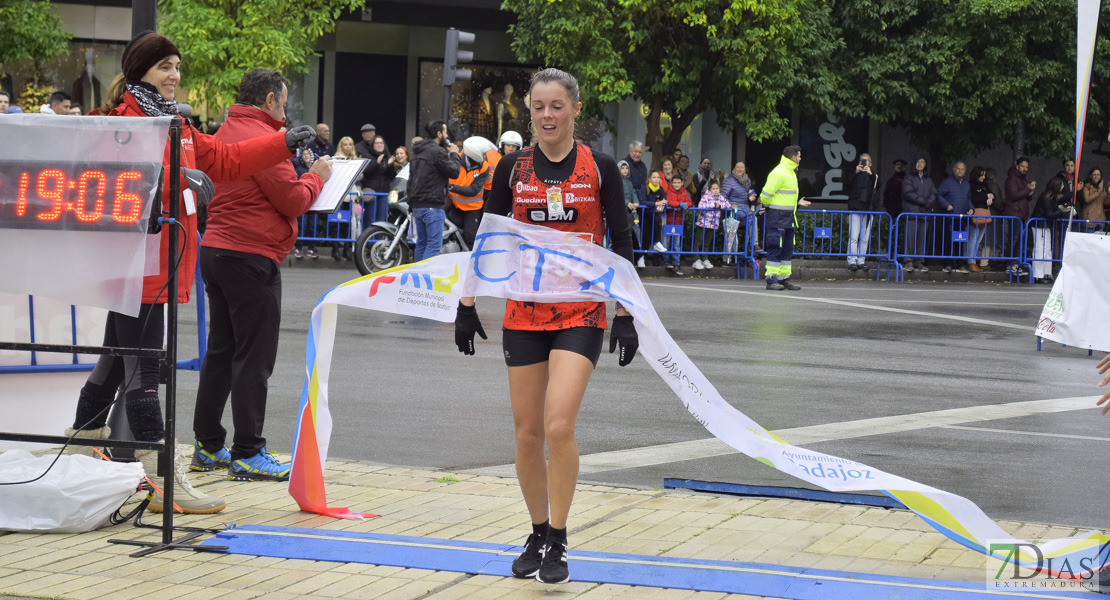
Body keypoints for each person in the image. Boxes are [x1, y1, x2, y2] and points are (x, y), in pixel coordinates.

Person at [64, 31, 317, 513]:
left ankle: (80, 450)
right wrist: (175, 188)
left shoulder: (170, 122)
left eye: (177, 66)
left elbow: (226, 160)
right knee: (142, 371)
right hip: (134, 265)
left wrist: (281, 142)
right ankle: (164, 483)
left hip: (156, 263)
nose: (175, 76)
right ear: (140, 72)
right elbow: (114, 192)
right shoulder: (123, 121)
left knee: (114, 360)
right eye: (165, 68)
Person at [453, 68, 637, 585]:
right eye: (538, 106)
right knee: (527, 433)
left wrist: (626, 316)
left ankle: (558, 536)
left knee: (559, 426)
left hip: (581, 311)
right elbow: (487, 241)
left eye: (557, 106)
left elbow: (621, 243)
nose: (547, 115)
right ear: (528, 112)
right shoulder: (511, 169)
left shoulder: (601, 168)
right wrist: (467, 304)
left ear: (576, 109)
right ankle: (536, 530)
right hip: (524, 312)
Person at [192, 68, 332, 482]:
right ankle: (248, 450)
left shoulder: (225, 131)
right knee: (253, 358)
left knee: (220, 352)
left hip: (217, 248)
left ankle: (208, 443)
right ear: (270, 100)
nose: (286, 113)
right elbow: (291, 200)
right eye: (284, 103)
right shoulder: (264, 140)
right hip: (252, 255)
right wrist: (317, 178)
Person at [406, 120, 461, 261]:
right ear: (439, 134)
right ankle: (425, 278)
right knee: (433, 245)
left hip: (418, 205)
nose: (447, 135)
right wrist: (454, 155)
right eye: (445, 132)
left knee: (422, 244)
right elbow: (454, 172)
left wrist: (411, 204)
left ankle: (418, 276)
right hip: (432, 205)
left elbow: (411, 179)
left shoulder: (417, 151)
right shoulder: (437, 151)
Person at [761, 145, 810, 290]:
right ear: (793, 157)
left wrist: (797, 203)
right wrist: (770, 208)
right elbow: (765, 196)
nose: (800, 158)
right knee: (776, 248)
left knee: (787, 249)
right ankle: (771, 279)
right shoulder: (780, 172)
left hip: (787, 218)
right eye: (799, 156)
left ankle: (782, 279)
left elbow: (780, 197)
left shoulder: (790, 172)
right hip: (778, 218)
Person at [446, 138, 494, 248]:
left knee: (471, 236)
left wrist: (451, 187)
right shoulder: (454, 159)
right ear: (475, 154)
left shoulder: (484, 167)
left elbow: (473, 191)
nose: (486, 156)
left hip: (472, 208)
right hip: (452, 202)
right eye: (484, 154)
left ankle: (470, 260)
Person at [1029, 177, 1068, 283]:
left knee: (1047, 249)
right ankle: (1038, 274)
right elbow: (1049, 214)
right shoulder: (1046, 198)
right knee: (1040, 248)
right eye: (1061, 185)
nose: (1063, 187)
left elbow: (1051, 212)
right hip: (1039, 225)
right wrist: (1061, 211)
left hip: (1044, 225)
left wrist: (1060, 209)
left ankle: (1046, 273)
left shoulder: (1050, 197)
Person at [844, 153, 879, 272]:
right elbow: (846, 184)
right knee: (853, 236)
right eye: (862, 161)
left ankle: (861, 260)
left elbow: (879, 185)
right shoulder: (854, 174)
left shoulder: (873, 176)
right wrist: (856, 172)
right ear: (859, 163)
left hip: (868, 209)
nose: (865, 164)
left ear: (871, 163)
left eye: (867, 161)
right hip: (855, 208)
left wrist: (871, 173)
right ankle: (852, 260)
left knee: (865, 237)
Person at [901, 157, 936, 272]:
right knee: (910, 238)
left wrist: (929, 202)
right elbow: (908, 193)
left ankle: (919, 262)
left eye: (923, 162)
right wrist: (924, 202)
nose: (920, 164)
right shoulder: (908, 178)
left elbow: (933, 193)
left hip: (924, 213)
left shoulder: (928, 180)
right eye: (918, 162)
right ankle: (908, 261)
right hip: (912, 212)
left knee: (922, 239)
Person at [937, 162, 971, 273]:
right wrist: (947, 205)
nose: (960, 171)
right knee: (948, 241)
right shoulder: (947, 182)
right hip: (950, 216)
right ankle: (947, 264)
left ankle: (959, 264)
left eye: (962, 169)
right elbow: (938, 194)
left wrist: (971, 209)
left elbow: (968, 199)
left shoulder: (966, 184)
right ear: (954, 169)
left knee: (960, 241)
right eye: (958, 169)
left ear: (965, 171)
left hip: (962, 217)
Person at [1004, 157, 1036, 277]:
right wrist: (1027, 189)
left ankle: (1016, 263)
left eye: (1026, 167)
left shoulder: (1022, 179)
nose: (1025, 169)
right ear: (1017, 166)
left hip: (1020, 212)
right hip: (1014, 213)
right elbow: (1014, 195)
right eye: (1022, 166)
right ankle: (1010, 264)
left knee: (1019, 240)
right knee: (1014, 239)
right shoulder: (1012, 178)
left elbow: (1024, 197)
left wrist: (1029, 193)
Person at [721, 162, 758, 262]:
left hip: (745, 211)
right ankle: (727, 260)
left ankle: (754, 245)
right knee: (732, 238)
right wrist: (730, 206)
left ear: (745, 169)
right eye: (738, 167)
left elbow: (751, 191)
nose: (740, 169)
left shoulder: (747, 180)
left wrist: (752, 196)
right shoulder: (728, 181)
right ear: (734, 169)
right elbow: (723, 196)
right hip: (732, 212)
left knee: (754, 218)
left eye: (742, 167)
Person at [693, 179, 730, 270]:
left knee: (707, 242)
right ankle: (696, 259)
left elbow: (728, 204)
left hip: (713, 224)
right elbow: (700, 206)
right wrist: (712, 204)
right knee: (698, 241)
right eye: (713, 188)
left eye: (717, 188)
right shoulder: (705, 197)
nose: (715, 190)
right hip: (702, 222)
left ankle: (705, 259)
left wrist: (720, 205)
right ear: (709, 189)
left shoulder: (721, 197)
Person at [360, 134, 395, 224]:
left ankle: (379, 238)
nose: (380, 145)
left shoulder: (387, 156)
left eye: (381, 143)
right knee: (370, 219)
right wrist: (376, 163)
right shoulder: (367, 155)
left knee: (382, 219)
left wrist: (390, 165)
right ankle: (368, 238)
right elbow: (365, 173)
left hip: (383, 192)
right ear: (373, 145)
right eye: (377, 143)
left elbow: (392, 176)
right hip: (370, 192)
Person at [966, 166, 994, 272]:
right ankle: (970, 261)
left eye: (984, 175)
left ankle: (973, 260)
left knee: (978, 240)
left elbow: (992, 194)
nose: (983, 177)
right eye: (981, 175)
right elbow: (973, 198)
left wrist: (991, 198)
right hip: (976, 213)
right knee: (973, 239)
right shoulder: (971, 185)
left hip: (984, 213)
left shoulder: (985, 185)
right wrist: (986, 197)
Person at [663, 173, 691, 275]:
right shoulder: (668, 191)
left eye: (679, 183)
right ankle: (666, 260)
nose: (677, 184)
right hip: (669, 221)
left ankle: (676, 263)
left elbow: (690, 202)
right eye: (675, 183)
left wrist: (684, 205)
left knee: (676, 244)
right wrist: (680, 204)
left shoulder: (685, 192)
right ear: (671, 183)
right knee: (667, 242)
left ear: (682, 183)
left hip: (678, 222)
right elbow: (669, 201)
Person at [618, 160, 643, 267]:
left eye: (626, 168)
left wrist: (636, 202)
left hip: (630, 212)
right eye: (622, 168)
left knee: (635, 232)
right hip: (620, 211)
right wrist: (627, 203)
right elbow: (617, 195)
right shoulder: (616, 181)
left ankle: (638, 256)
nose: (625, 170)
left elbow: (632, 193)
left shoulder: (629, 182)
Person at [641, 170, 667, 260]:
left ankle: (656, 243)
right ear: (649, 179)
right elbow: (642, 201)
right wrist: (656, 204)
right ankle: (642, 257)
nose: (656, 179)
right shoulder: (644, 188)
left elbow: (664, 201)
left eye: (658, 178)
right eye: (654, 177)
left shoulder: (660, 189)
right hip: (644, 215)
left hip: (654, 214)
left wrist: (661, 207)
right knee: (645, 236)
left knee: (658, 220)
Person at [623, 141, 648, 206]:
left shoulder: (643, 166)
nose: (638, 154)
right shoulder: (624, 164)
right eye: (636, 151)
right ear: (630, 151)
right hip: (628, 202)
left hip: (641, 202)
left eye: (640, 152)